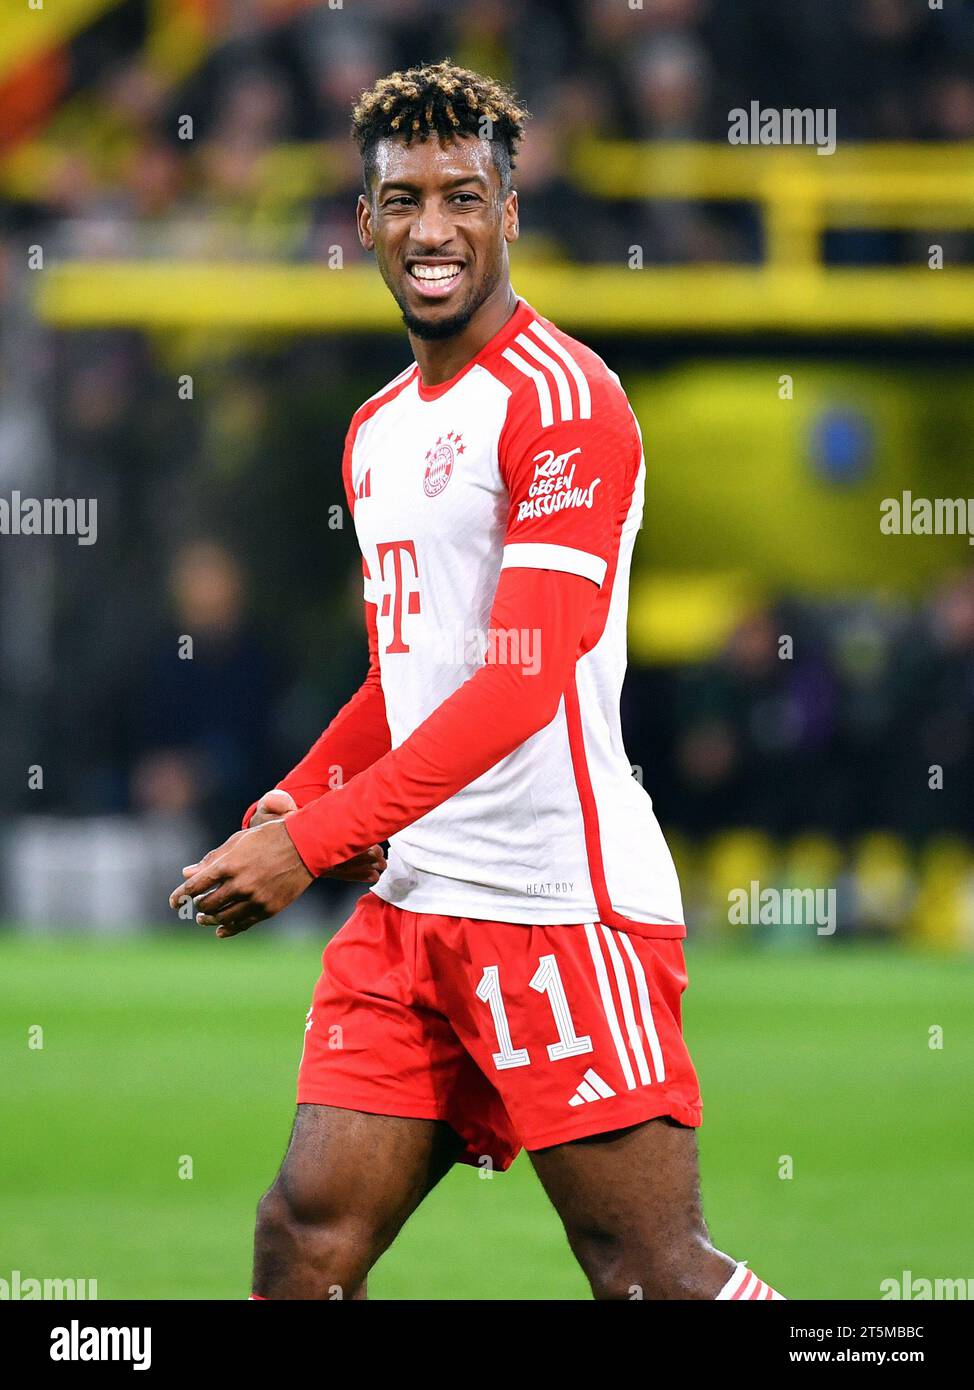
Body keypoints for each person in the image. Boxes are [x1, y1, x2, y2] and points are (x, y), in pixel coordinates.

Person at [170, 60, 783, 1303]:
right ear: (364, 222)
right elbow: (411, 672)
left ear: (509, 214)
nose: (431, 227)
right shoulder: (377, 427)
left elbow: (516, 682)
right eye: (402, 198)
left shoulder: (567, 402)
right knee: (304, 1242)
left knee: (645, 1271)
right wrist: (296, 802)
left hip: (558, 899)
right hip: (413, 907)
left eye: (462, 195)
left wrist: (323, 840)